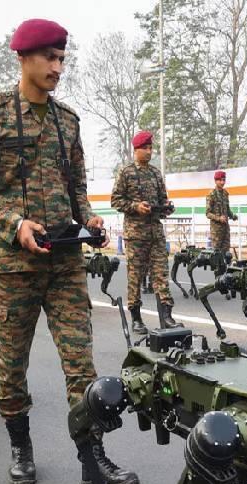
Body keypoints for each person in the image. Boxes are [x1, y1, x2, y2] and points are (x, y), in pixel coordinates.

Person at [0, 18, 139, 484]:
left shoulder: (68, 120)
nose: (57, 67)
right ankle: (21, 447)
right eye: (49, 57)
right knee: (12, 366)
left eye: (62, 58)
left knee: (81, 365)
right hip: (14, 267)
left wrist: (90, 219)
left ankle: (92, 461)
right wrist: (15, 223)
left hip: (64, 262)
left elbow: (76, 187)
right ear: (23, 58)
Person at [110, 130, 182, 333]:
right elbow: (115, 200)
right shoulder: (126, 172)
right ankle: (136, 318)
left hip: (155, 233)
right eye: (145, 148)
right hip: (136, 234)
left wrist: (166, 207)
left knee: (161, 275)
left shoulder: (156, 173)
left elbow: (162, 199)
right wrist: (136, 206)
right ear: (136, 150)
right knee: (135, 277)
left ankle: (166, 316)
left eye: (151, 148)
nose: (149, 152)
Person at [205, 170, 233, 263]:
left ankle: (226, 269)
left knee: (226, 252)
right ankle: (217, 270)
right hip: (216, 230)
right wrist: (219, 218)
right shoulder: (211, 194)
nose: (222, 182)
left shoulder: (225, 193)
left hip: (225, 228)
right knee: (217, 253)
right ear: (215, 181)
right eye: (220, 180)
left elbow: (227, 209)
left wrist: (232, 216)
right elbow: (208, 213)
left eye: (224, 180)